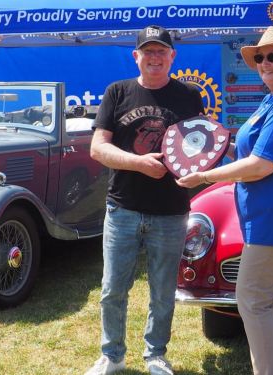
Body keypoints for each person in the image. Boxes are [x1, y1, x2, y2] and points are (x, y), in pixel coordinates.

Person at [177, 26, 273, 375]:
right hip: (267, 216)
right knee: (270, 299)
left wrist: (205, 177)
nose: (264, 63)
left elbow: (261, 166)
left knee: (251, 300)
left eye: (272, 56)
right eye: (260, 57)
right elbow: (251, 151)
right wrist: (213, 149)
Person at [85, 25, 204, 375]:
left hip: (171, 210)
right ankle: (112, 355)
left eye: (161, 51)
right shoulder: (117, 92)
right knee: (111, 289)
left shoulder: (188, 96)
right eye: (147, 51)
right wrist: (138, 163)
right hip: (122, 208)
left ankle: (156, 355)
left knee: (163, 291)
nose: (154, 57)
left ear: (172, 57)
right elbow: (98, 148)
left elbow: (200, 145)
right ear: (135, 56)